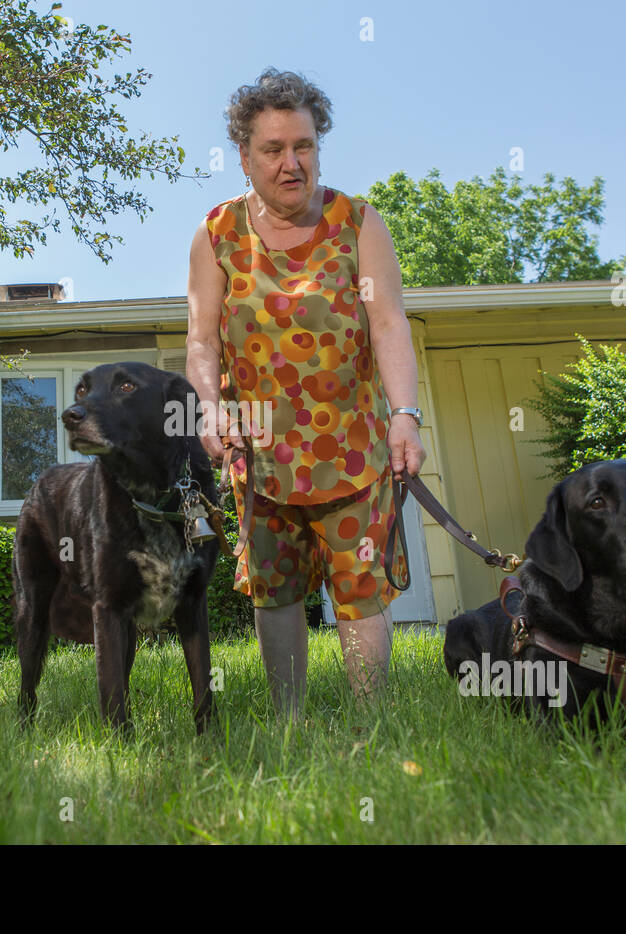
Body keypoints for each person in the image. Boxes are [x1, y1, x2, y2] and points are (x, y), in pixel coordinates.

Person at [186, 67, 427, 717]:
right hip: (261, 451)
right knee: (277, 589)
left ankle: (372, 718)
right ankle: (289, 720)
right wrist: (209, 406)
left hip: (351, 445)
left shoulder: (358, 224)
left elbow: (387, 323)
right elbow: (202, 343)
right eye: (273, 149)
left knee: (359, 588)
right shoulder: (216, 237)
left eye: (305, 146)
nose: (292, 163)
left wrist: (404, 415)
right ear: (244, 156)